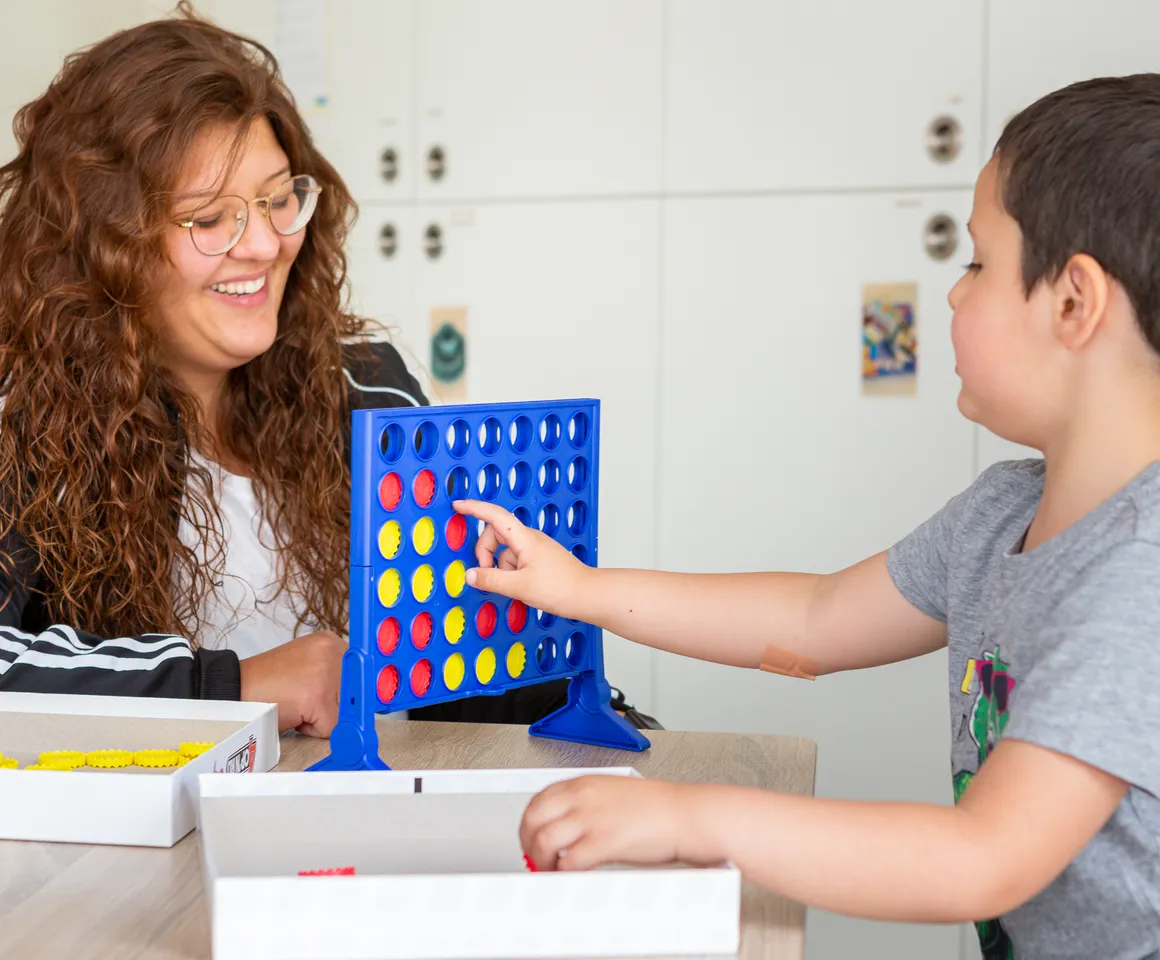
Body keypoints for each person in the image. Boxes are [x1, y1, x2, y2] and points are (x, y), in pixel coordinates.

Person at [453, 74, 1160, 959]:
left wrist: (690, 817)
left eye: (978, 262)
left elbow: (984, 858)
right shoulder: (1002, 511)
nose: (952, 293)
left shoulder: (1138, 573)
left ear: (1073, 303)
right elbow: (812, 621)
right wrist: (580, 588)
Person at [0, 5, 601, 735]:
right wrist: (237, 687)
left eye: (278, 198)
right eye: (209, 216)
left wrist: (589, 709)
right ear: (101, 243)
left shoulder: (367, 385)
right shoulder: (22, 423)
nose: (261, 245)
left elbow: (467, 650)